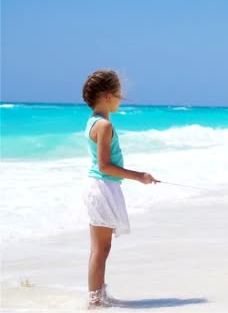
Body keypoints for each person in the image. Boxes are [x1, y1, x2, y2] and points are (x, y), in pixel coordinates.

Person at [81, 69, 158, 308]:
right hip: (103, 187)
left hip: (98, 187)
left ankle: (99, 295)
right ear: (106, 96)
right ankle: (95, 300)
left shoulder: (94, 121)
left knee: (101, 248)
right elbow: (104, 165)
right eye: (119, 96)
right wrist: (139, 176)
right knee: (101, 249)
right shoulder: (103, 125)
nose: (120, 100)